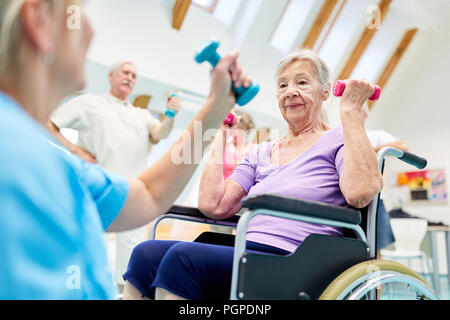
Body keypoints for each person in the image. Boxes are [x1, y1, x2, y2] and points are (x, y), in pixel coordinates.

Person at [0, 0, 252, 299]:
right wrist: (77, 150)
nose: (92, 31)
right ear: (38, 17)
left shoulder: (62, 171)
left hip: (125, 181)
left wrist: (217, 106)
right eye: (81, 13)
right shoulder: (19, 160)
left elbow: (148, 193)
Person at [122, 49, 384, 300]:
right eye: (282, 85)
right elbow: (214, 204)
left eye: (302, 82)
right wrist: (219, 140)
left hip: (297, 259)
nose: (290, 92)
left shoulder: (337, 139)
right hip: (248, 250)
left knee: (183, 259)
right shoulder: (262, 151)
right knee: (145, 254)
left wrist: (350, 113)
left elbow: (361, 193)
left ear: (326, 91)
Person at [47, 60, 182, 292]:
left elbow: (159, 133)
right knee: (89, 253)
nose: (130, 77)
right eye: (125, 72)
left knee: (131, 261)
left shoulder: (141, 114)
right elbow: (50, 123)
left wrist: (170, 114)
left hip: (133, 194)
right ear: (111, 76)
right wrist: (76, 150)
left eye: (134, 75)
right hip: (96, 189)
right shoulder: (89, 103)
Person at [362, 103, 408, 254]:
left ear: (364, 115)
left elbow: (402, 147)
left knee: (376, 247)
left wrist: (370, 150)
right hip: (349, 198)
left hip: (375, 199)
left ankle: (376, 275)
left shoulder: (376, 135)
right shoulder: (341, 135)